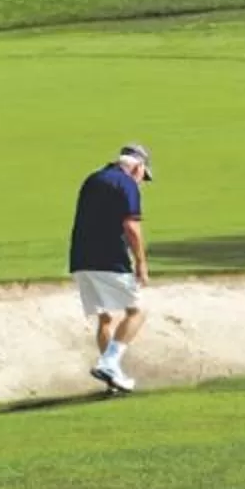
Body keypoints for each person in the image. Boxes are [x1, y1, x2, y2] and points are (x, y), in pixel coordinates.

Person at [70, 144, 152, 393]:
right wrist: (141, 262)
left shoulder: (92, 179)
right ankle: (109, 361)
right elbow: (131, 227)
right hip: (110, 258)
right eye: (142, 175)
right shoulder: (125, 184)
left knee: (105, 317)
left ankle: (112, 382)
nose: (141, 182)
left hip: (81, 259)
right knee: (138, 311)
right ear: (137, 167)